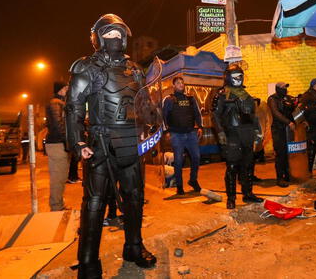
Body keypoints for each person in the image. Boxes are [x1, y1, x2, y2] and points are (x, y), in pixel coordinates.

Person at [66, 14, 157, 276]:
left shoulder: (136, 69)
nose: (115, 39)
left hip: (131, 142)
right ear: (98, 38)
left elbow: (144, 104)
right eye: (109, 34)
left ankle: (134, 247)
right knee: (94, 203)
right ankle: (88, 262)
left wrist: (150, 125)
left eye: (119, 35)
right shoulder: (87, 67)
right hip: (100, 142)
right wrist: (78, 141)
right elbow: (73, 108)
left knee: (135, 198)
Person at [212, 65, 264, 209]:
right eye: (235, 76)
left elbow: (253, 116)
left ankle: (248, 194)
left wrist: (257, 132)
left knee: (248, 166)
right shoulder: (222, 95)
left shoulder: (247, 95)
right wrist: (221, 132)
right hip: (232, 134)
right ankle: (231, 198)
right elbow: (215, 116)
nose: (238, 79)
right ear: (228, 77)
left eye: (240, 76)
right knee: (232, 166)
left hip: (247, 133)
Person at [162, 76, 203, 196]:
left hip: (191, 133)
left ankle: (193, 180)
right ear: (173, 86)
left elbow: (197, 113)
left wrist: (200, 126)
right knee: (179, 161)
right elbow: (164, 116)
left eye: (182, 83)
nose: (181, 85)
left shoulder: (190, 99)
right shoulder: (169, 100)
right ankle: (179, 186)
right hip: (176, 135)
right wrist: (166, 132)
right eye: (178, 83)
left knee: (196, 157)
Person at [45, 81, 70, 211]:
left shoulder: (59, 103)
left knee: (61, 176)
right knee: (58, 177)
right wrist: (68, 141)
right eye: (66, 88)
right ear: (60, 90)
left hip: (59, 144)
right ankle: (56, 206)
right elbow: (58, 125)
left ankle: (58, 204)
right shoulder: (55, 103)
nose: (68, 90)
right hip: (57, 144)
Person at [267, 82, 295, 187]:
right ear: (277, 88)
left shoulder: (287, 98)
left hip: (287, 129)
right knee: (280, 154)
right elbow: (276, 113)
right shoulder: (272, 99)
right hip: (278, 129)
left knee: (288, 154)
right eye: (283, 87)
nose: (285, 89)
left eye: (286, 87)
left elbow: (292, 112)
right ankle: (280, 178)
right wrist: (288, 122)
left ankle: (287, 175)